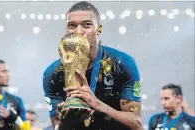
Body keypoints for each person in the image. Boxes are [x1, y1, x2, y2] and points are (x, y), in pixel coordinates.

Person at [43, 1, 142, 130]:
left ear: (99, 29)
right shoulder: (53, 73)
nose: (79, 32)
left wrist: (96, 104)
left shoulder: (122, 63)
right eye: (72, 26)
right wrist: (66, 122)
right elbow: (57, 127)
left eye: (87, 25)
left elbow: (136, 124)